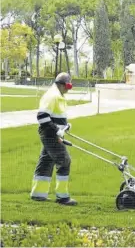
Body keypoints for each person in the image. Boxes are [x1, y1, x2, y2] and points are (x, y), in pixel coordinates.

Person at [30, 72, 77, 205]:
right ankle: (62, 197)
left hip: (52, 133)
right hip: (50, 135)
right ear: (62, 84)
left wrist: (65, 125)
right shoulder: (52, 96)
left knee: (46, 161)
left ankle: (38, 194)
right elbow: (42, 117)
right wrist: (57, 130)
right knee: (64, 161)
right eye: (68, 85)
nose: (69, 88)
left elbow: (55, 116)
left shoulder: (58, 95)